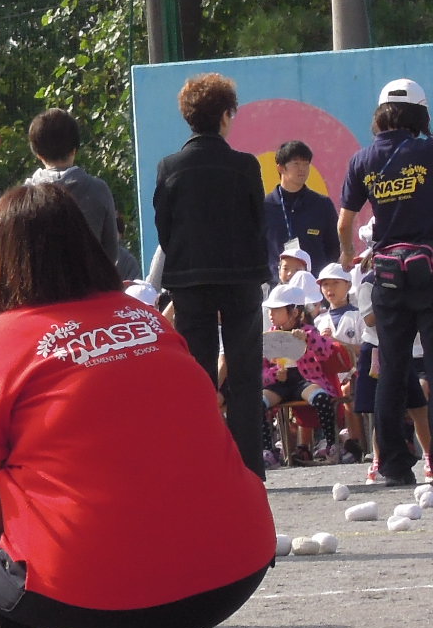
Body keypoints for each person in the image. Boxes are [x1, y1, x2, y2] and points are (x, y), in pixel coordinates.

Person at [0, 183, 273, 628]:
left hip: (106, 574)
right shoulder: (147, 320)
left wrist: (37, 551)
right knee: (142, 529)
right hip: (236, 567)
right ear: (88, 245)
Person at [152, 72, 270, 478]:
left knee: (198, 377)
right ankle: (249, 469)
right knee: (245, 375)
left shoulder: (169, 166)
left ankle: (201, 466)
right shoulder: (245, 165)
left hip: (190, 280)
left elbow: (163, 228)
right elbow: (259, 223)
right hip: (241, 278)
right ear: (225, 115)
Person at [338, 77, 433, 488]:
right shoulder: (428, 151)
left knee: (392, 367)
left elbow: (345, 222)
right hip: (429, 270)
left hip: (388, 277)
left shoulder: (363, 160)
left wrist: (346, 254)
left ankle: (393, 464)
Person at [25, 108, 131, 275]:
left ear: (38, 153)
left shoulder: (22, 198)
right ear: (75, 148)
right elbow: (111, 252)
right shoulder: (98, 190)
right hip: (90, 291)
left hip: (40, 296)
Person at [261, 281, 343, 464]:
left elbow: (326, 351)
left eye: (276, 309)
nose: (271, 314)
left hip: (304, 380)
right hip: (280, 383)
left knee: (321, 398)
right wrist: (274, 375)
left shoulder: (308, 331)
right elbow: (262, 371)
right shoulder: (269, 337)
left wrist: (308, 340)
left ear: (294, 311)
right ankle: (268, 450)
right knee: (259, 403)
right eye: (270, 310)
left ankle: (330, 444)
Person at [315, 262, 366, 460]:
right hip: (329, 377)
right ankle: (330, 443)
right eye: (325, 285)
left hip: (355, 373)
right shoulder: (320, 320)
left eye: (335, 283)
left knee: (347, 391)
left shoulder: (358, 315)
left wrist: (337, 342)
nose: (329, 289)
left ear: (347, 285)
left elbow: (365, 349)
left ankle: (357, 444)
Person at [269, 141, 340, 273]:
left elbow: (334, 248)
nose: (302, 169)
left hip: (313, 286)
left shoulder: (322, 205)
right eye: (296, 163)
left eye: (306, 164)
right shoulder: (265, 206)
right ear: (281, 168)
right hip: (276, 286)